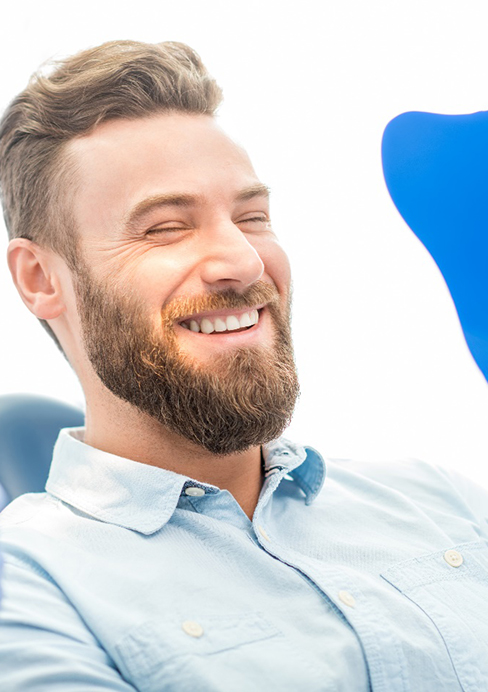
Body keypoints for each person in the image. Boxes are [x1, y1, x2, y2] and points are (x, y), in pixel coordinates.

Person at [0, 40, 487, 692]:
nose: (245, 262)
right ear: (39, 278)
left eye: (252, 216)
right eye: (166, 227)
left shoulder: (444, 501)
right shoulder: (27, 586)